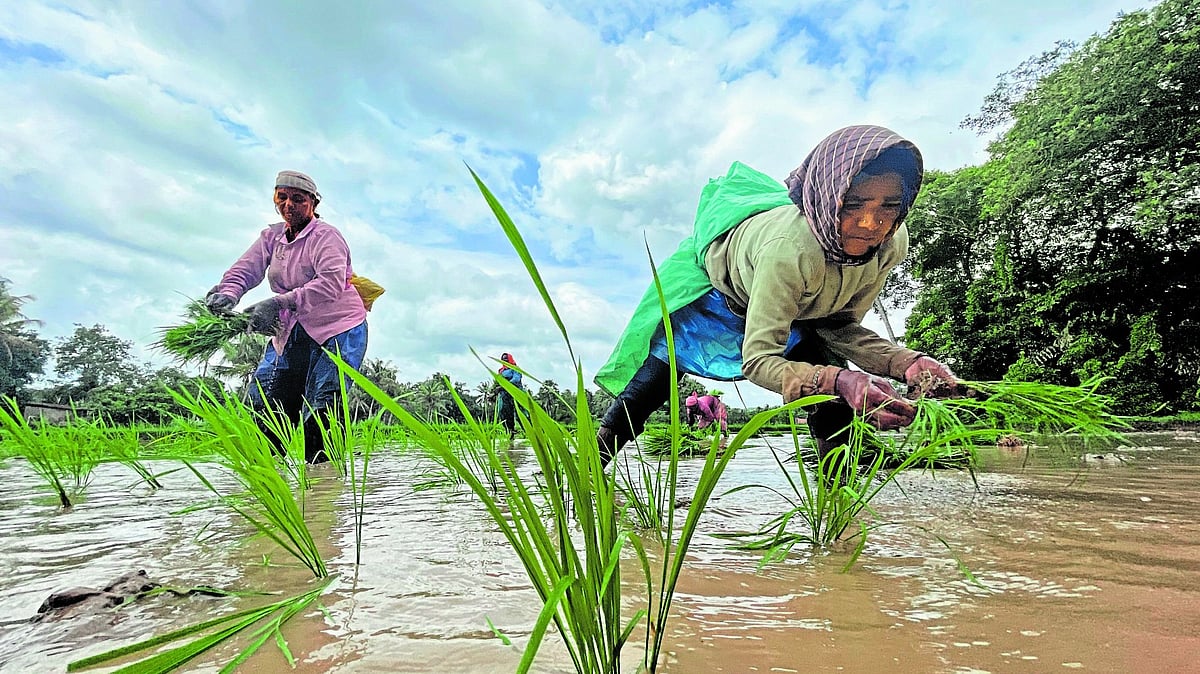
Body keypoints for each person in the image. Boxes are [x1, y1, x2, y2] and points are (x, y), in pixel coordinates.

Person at [593, 125, 957, 465]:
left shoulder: (890, 244)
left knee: (835, 401)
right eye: (853, 205)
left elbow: (837, 326)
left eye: (888, 207)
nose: (870, 223)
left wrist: (906, 363)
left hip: (797, 306)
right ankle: (588, 470)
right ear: (830, 199)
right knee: (649, 387)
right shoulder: (788, 252)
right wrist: (839, 379)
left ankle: (836, 512)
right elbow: (759, 360)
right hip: (716, 295)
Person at [205, 170, 368, 463]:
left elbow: (330, 282)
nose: (289, 205)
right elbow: (247, 269)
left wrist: (282, 302)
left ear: (313, 204)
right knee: (266, 405)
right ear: (275, 199)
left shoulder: (326, 237)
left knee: (324, 404)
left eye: (298, 199)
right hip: (290, 330)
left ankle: (324, 485)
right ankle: (266, 480)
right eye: (282, 198)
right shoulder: (271, 237)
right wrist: (229, 292)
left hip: (338, 328)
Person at [496, 353, 524, 437]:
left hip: (515, 393)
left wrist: (505, 385)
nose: (505, 361)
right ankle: (510, 431)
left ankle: (528, 431)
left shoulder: (515, 369)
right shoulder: (501, 371)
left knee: (520, 414)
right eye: (503, 359)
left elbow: (516, 379)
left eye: (506, 359)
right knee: (504, 413)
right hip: (505, 395)